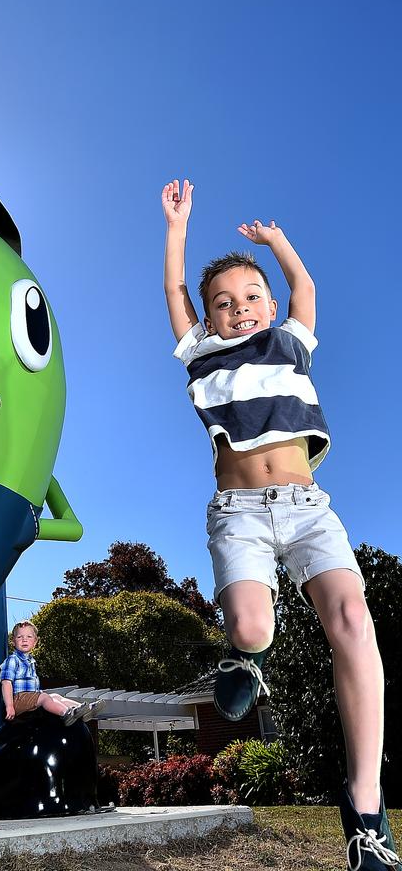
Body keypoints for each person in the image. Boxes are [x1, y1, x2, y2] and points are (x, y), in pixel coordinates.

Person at [162, 178, 399, 871]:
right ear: (208, 320)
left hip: (309, 511)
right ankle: (245, 655)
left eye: (250, 298)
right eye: (223, 304)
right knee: (253, 627)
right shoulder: (201, 354)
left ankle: (364, 810)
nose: (239, 310)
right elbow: (176, 295)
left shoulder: (292, 344)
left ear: (269, 306)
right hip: (239, 515)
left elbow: (306, 289)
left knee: (354, 622)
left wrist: (276, 244)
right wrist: (178, 227)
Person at [0, 621, 104, 725]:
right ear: (13, 641)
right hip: (18, 700)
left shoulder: (30, 661)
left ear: (35, 642)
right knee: (45, 697)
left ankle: (83, 710)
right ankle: (65, 713)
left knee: (55, 696)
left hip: (30, 697)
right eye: (19, 637)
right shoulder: (13, 660)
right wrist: (9, 706)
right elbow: (6, 682)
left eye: (29, 637)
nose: (24, 640)